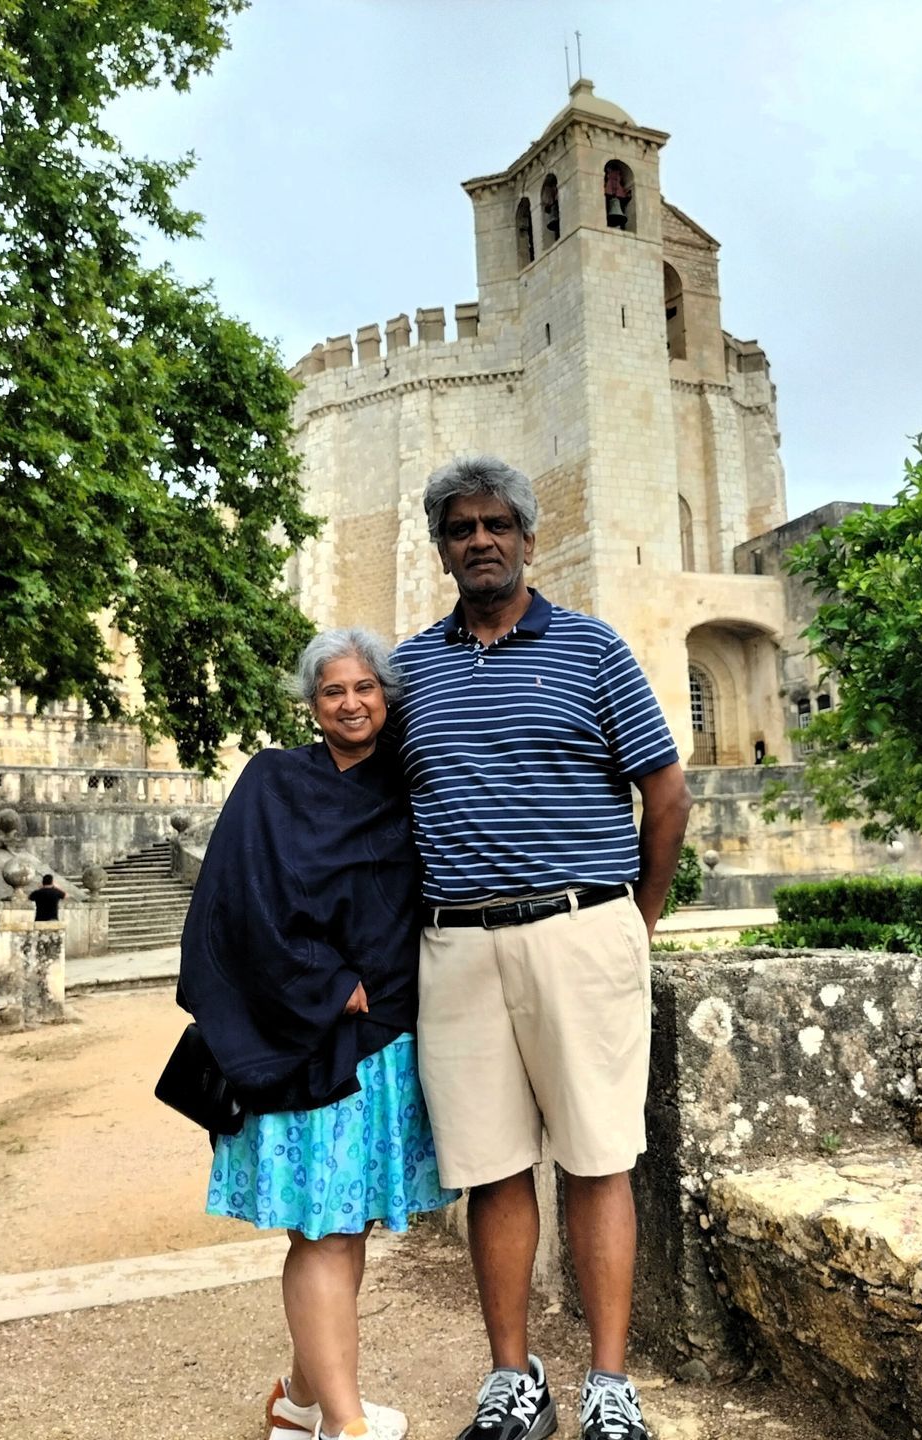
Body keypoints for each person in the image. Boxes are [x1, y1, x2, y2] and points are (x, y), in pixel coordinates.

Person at [394, 456, 692, 1440]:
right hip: (459, 947)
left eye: (496, 524)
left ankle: (610, 1387)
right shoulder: (411, 670)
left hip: (581, 927)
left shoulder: (594, 649)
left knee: (599, 1161)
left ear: (528, 537)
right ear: (441, 547)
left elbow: (666, 791)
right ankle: (513, 1381)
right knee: (491, 1167)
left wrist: (633, 919)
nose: (479, 540)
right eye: (460, 527)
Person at [178, 628, 457, 1440]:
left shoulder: (405, 784)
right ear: (313, 704)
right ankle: (345, 1424)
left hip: (388, 1037)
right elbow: (235, 903)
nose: (351, 702)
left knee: (346, 1223)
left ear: (386, 696)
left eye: (366, 687)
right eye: (334, 690)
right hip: (303, 1032)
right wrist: (328, 985)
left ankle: (300, 1400)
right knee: (325, 1231)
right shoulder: (273, 781)